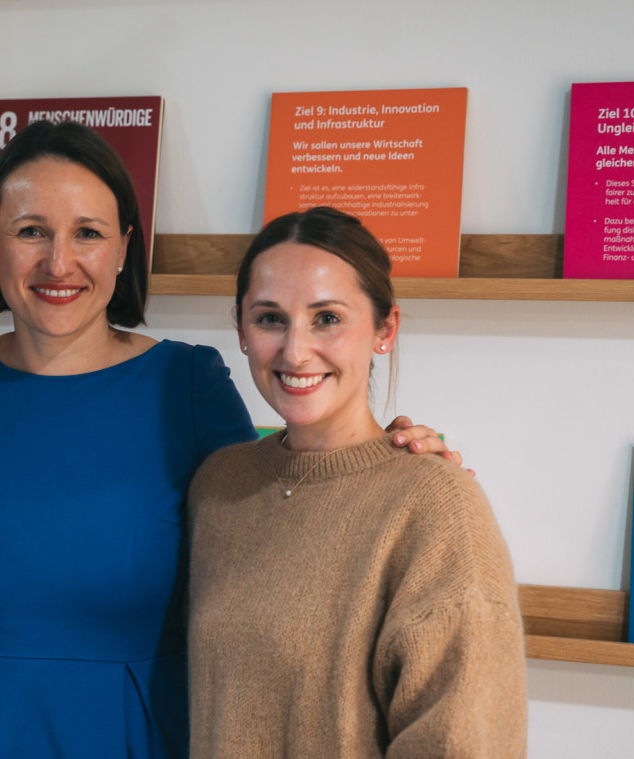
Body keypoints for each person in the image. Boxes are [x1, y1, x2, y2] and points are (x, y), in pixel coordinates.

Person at [0, 122, 456, 759]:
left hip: (143, 733)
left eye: (88, 232)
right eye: (31, 230)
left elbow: (284, 513)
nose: (58, 262)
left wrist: (384, 462)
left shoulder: (186, 383)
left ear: (123, 248)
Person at [186, 207, 526, 758]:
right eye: (270, 317)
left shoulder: (438, 504)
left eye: (327, 318)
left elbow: (466, 743)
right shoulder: (218, 486)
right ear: (241, 330)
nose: (295, 351)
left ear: (384, 329)